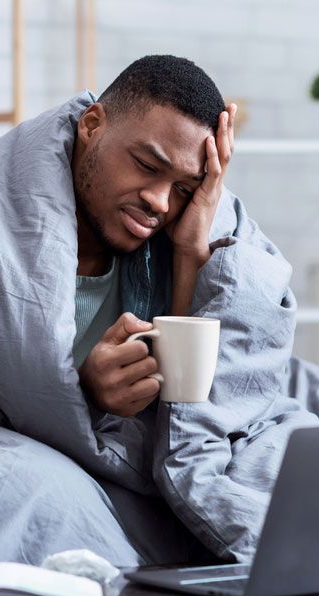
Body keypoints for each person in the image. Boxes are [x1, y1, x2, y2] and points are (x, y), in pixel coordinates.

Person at [70, 55, 238, 419]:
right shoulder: (1, 243)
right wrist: (82, 392)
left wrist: (190, 251)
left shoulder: (169, 247)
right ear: (92, 124)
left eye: (183, 187)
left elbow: (178, 403)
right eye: (147, 166)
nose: (160, 202)